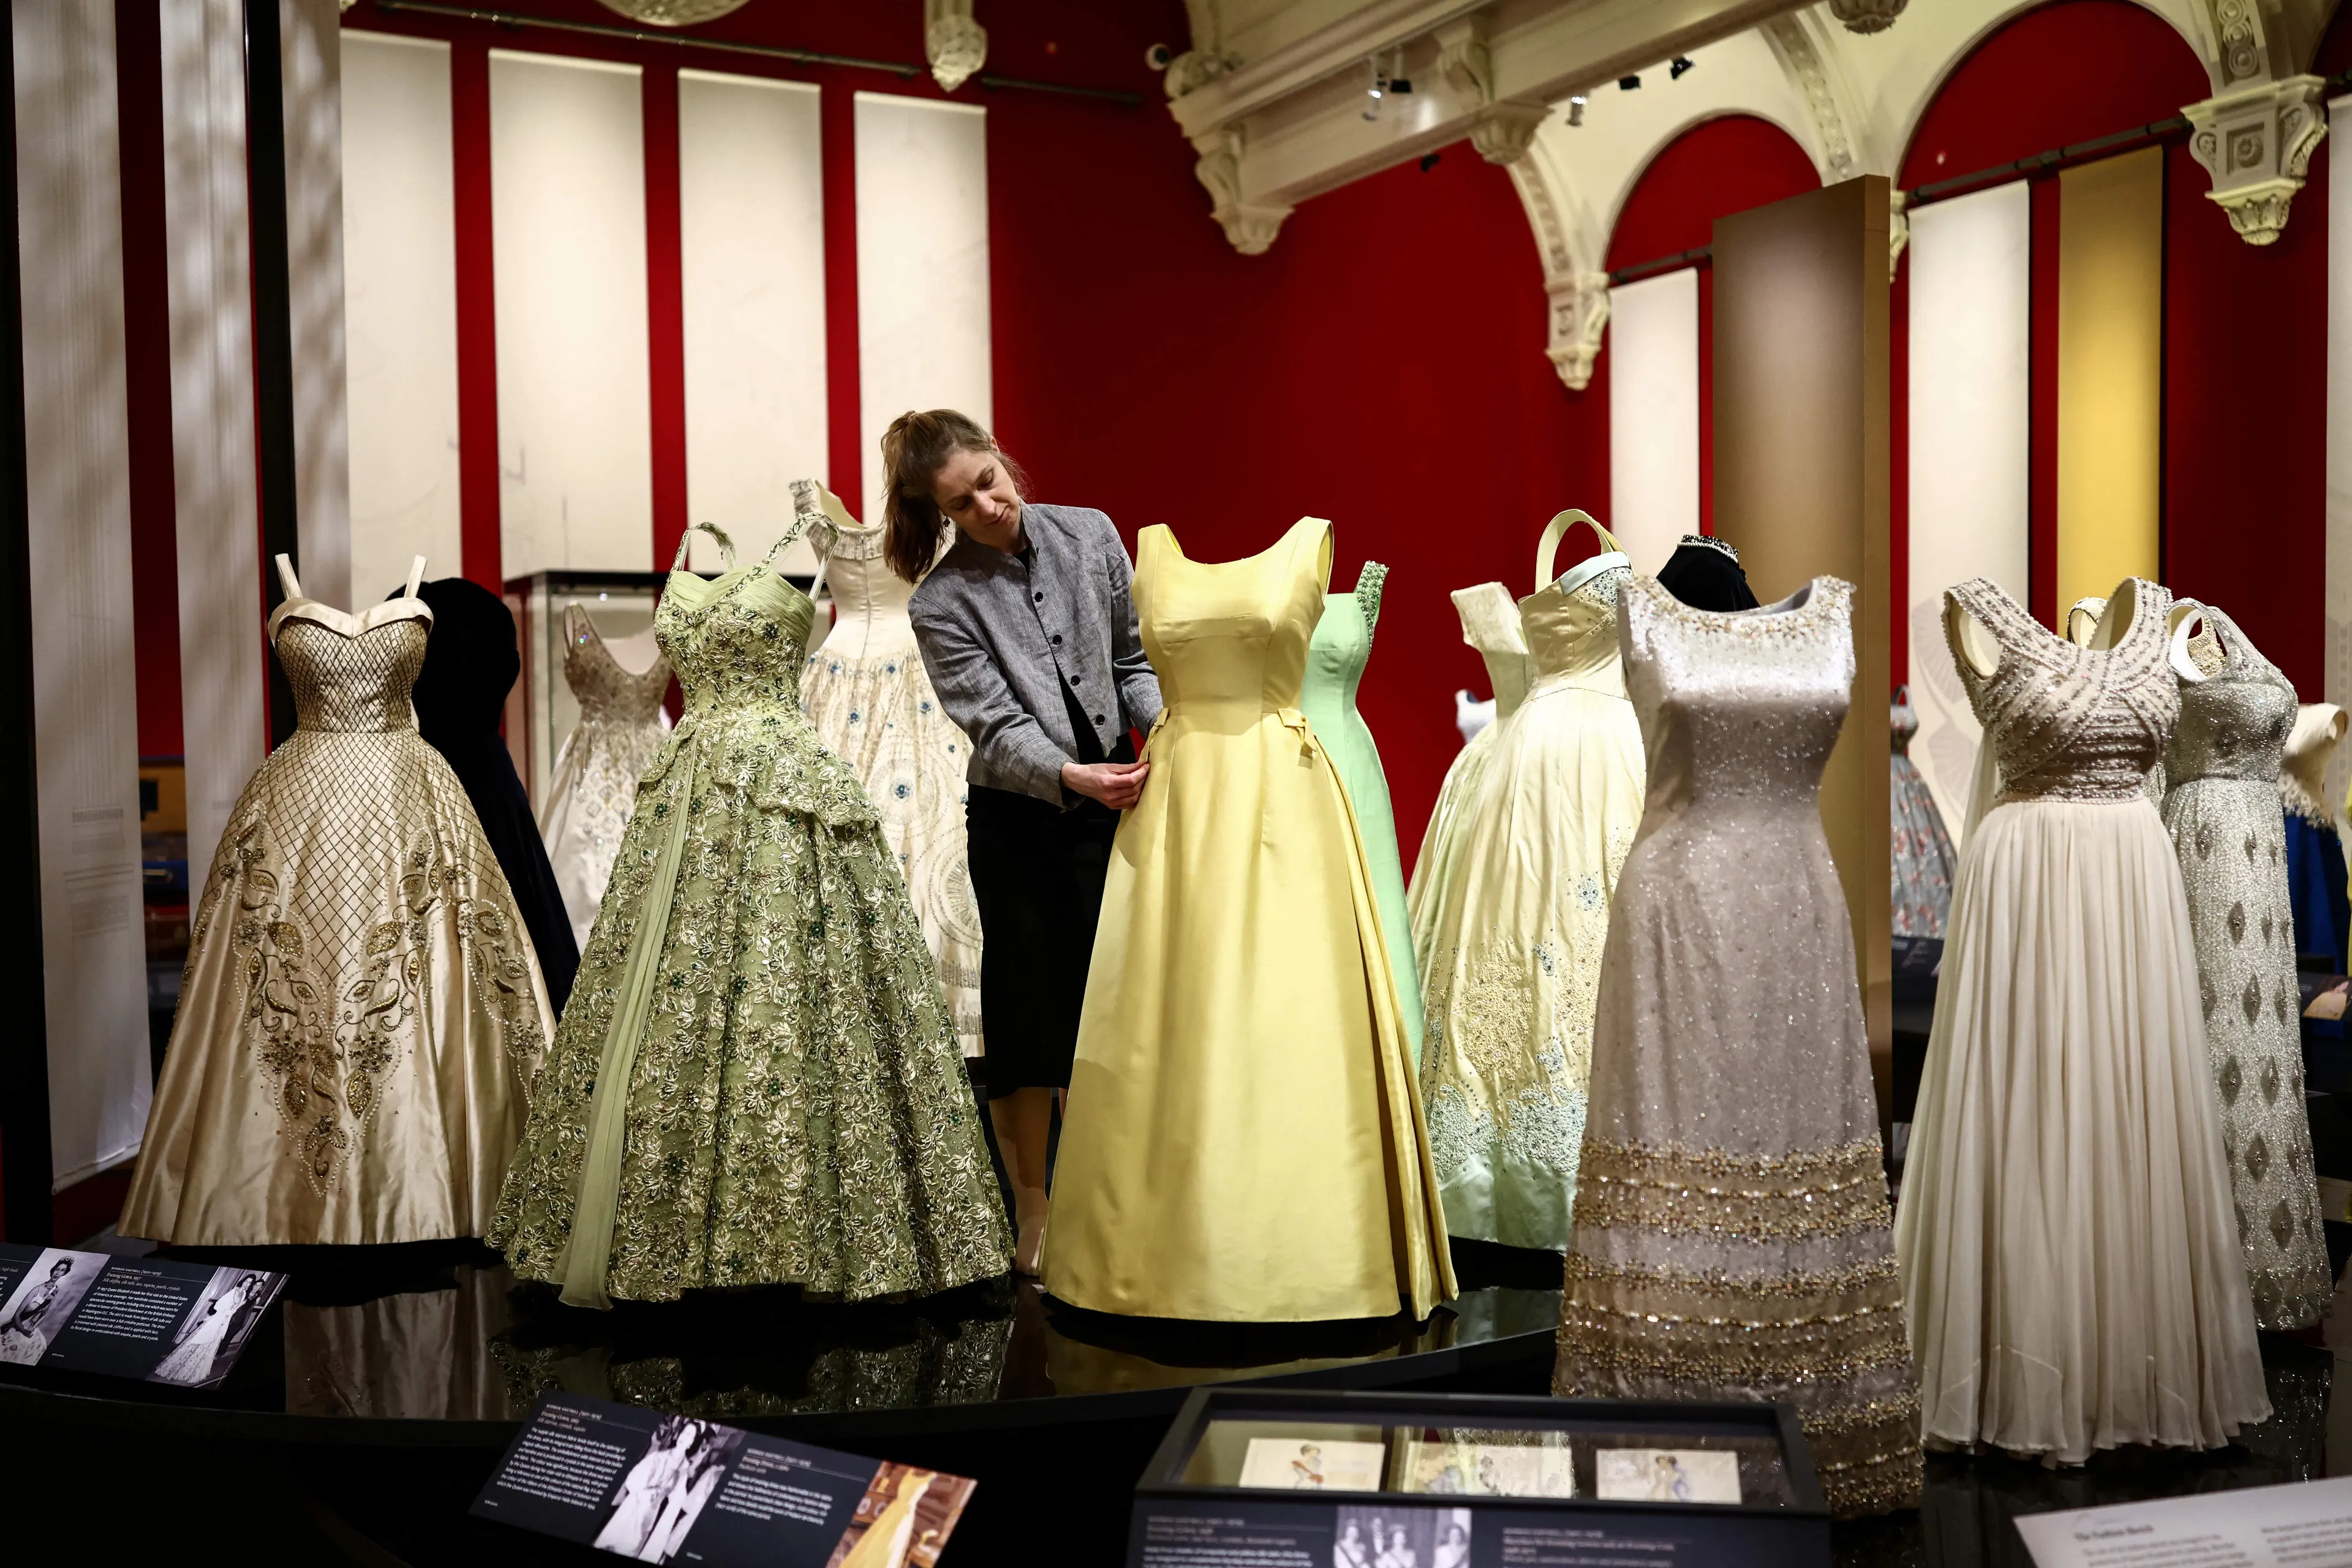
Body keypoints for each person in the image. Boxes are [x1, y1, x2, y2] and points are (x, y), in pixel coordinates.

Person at [896, 410, 1161, 1276]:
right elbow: (993, 726)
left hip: (1118, 803)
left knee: (1112, 1003)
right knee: (1029, 1013)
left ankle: (1112, 1191)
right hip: (1018, 822)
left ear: (1003, 459)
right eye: (963, 504)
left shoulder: (1092, 536)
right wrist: (1072, 776)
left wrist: (1169, 731)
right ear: (941, 516)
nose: (988, 505)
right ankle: (1036, 1211)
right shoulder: (940, 603)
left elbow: (1133, 663)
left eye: (988, 481)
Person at [0, 1258, 74, 1364]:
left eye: (62, 1271)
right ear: (53, 1270)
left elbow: (43, 1315)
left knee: (40, 1347)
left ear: (64, 1274)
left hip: (31, 1330)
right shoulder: (37, 1289)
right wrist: (23, 1330)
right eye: (57, 1269)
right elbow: (17, 1315)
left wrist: (33, 1328)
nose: (58, 1273)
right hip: (17, 1328)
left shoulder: (54, 1293)